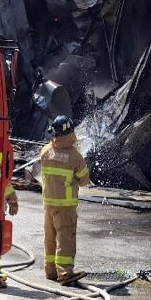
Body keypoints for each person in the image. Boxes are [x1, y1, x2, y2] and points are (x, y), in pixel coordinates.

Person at [39, 115, 89, 285]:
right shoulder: (75, 156)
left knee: (50, 238)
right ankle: (65, 273)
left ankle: (50, 270)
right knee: (65, 238)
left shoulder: (45, 151)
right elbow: (84, 180)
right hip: (65, 206)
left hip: (48, 204)